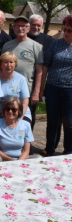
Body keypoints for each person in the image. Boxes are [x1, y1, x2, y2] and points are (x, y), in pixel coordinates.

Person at [2, 15, 43, 130]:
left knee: (27, 119)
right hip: (8, 89)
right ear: (13, 28)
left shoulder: (36, 46)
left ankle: (26, 143)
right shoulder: (7, 45)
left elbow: (39, 70)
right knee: (8, 116)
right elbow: (1, 67)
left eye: (23, 26)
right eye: (18, 26)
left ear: (28, 28)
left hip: (27, 91)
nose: (20, 28)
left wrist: (37, 91)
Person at [40, 16, 72, 156]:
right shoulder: (55, 44)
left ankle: (69, 151)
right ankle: (50, 149)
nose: (66, 33)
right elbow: (45, 67)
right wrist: (41, 88)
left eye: (70, 30)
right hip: (52, 88)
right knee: (52, 121)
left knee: (69, 123)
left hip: (70, 90)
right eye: (65, 29)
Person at [0, 97, 36, 163]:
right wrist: (10, 160)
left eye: (14, 109)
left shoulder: (26, 125)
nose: (10, 111)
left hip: (21, 159)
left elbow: (26, 151)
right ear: (4, 110)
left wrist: (19, 162)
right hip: (2, 158)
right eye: (7, 109)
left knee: (39, 158)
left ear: (19, 110)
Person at [0, 52, 32, 123]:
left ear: (15, 64)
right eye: (5, 62)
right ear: (0, 65)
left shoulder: (21, 79)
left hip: (19, 112)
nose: (9, 65)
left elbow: (24, 101)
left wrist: (20, 118)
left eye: (11, 62)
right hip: (2, 112)